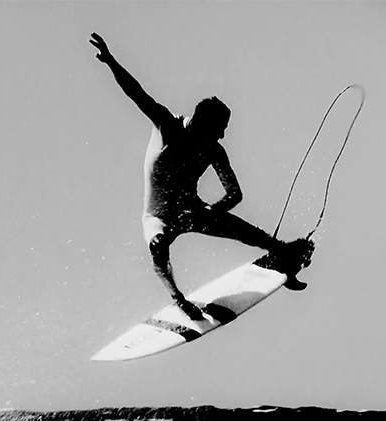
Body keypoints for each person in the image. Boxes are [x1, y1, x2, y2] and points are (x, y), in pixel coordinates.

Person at [89, 33, 312, 321]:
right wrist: (111, 62)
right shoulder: (168, 127)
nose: (222, 135)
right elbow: (137, 93)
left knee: (244, 230)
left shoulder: (214, 151)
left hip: (192, 211)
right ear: (199, 123)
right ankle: (178, 299)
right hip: (159, 217)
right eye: (219, 129)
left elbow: (235, 194)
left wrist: (209, 211)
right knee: (158, 247)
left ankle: (283, 256)